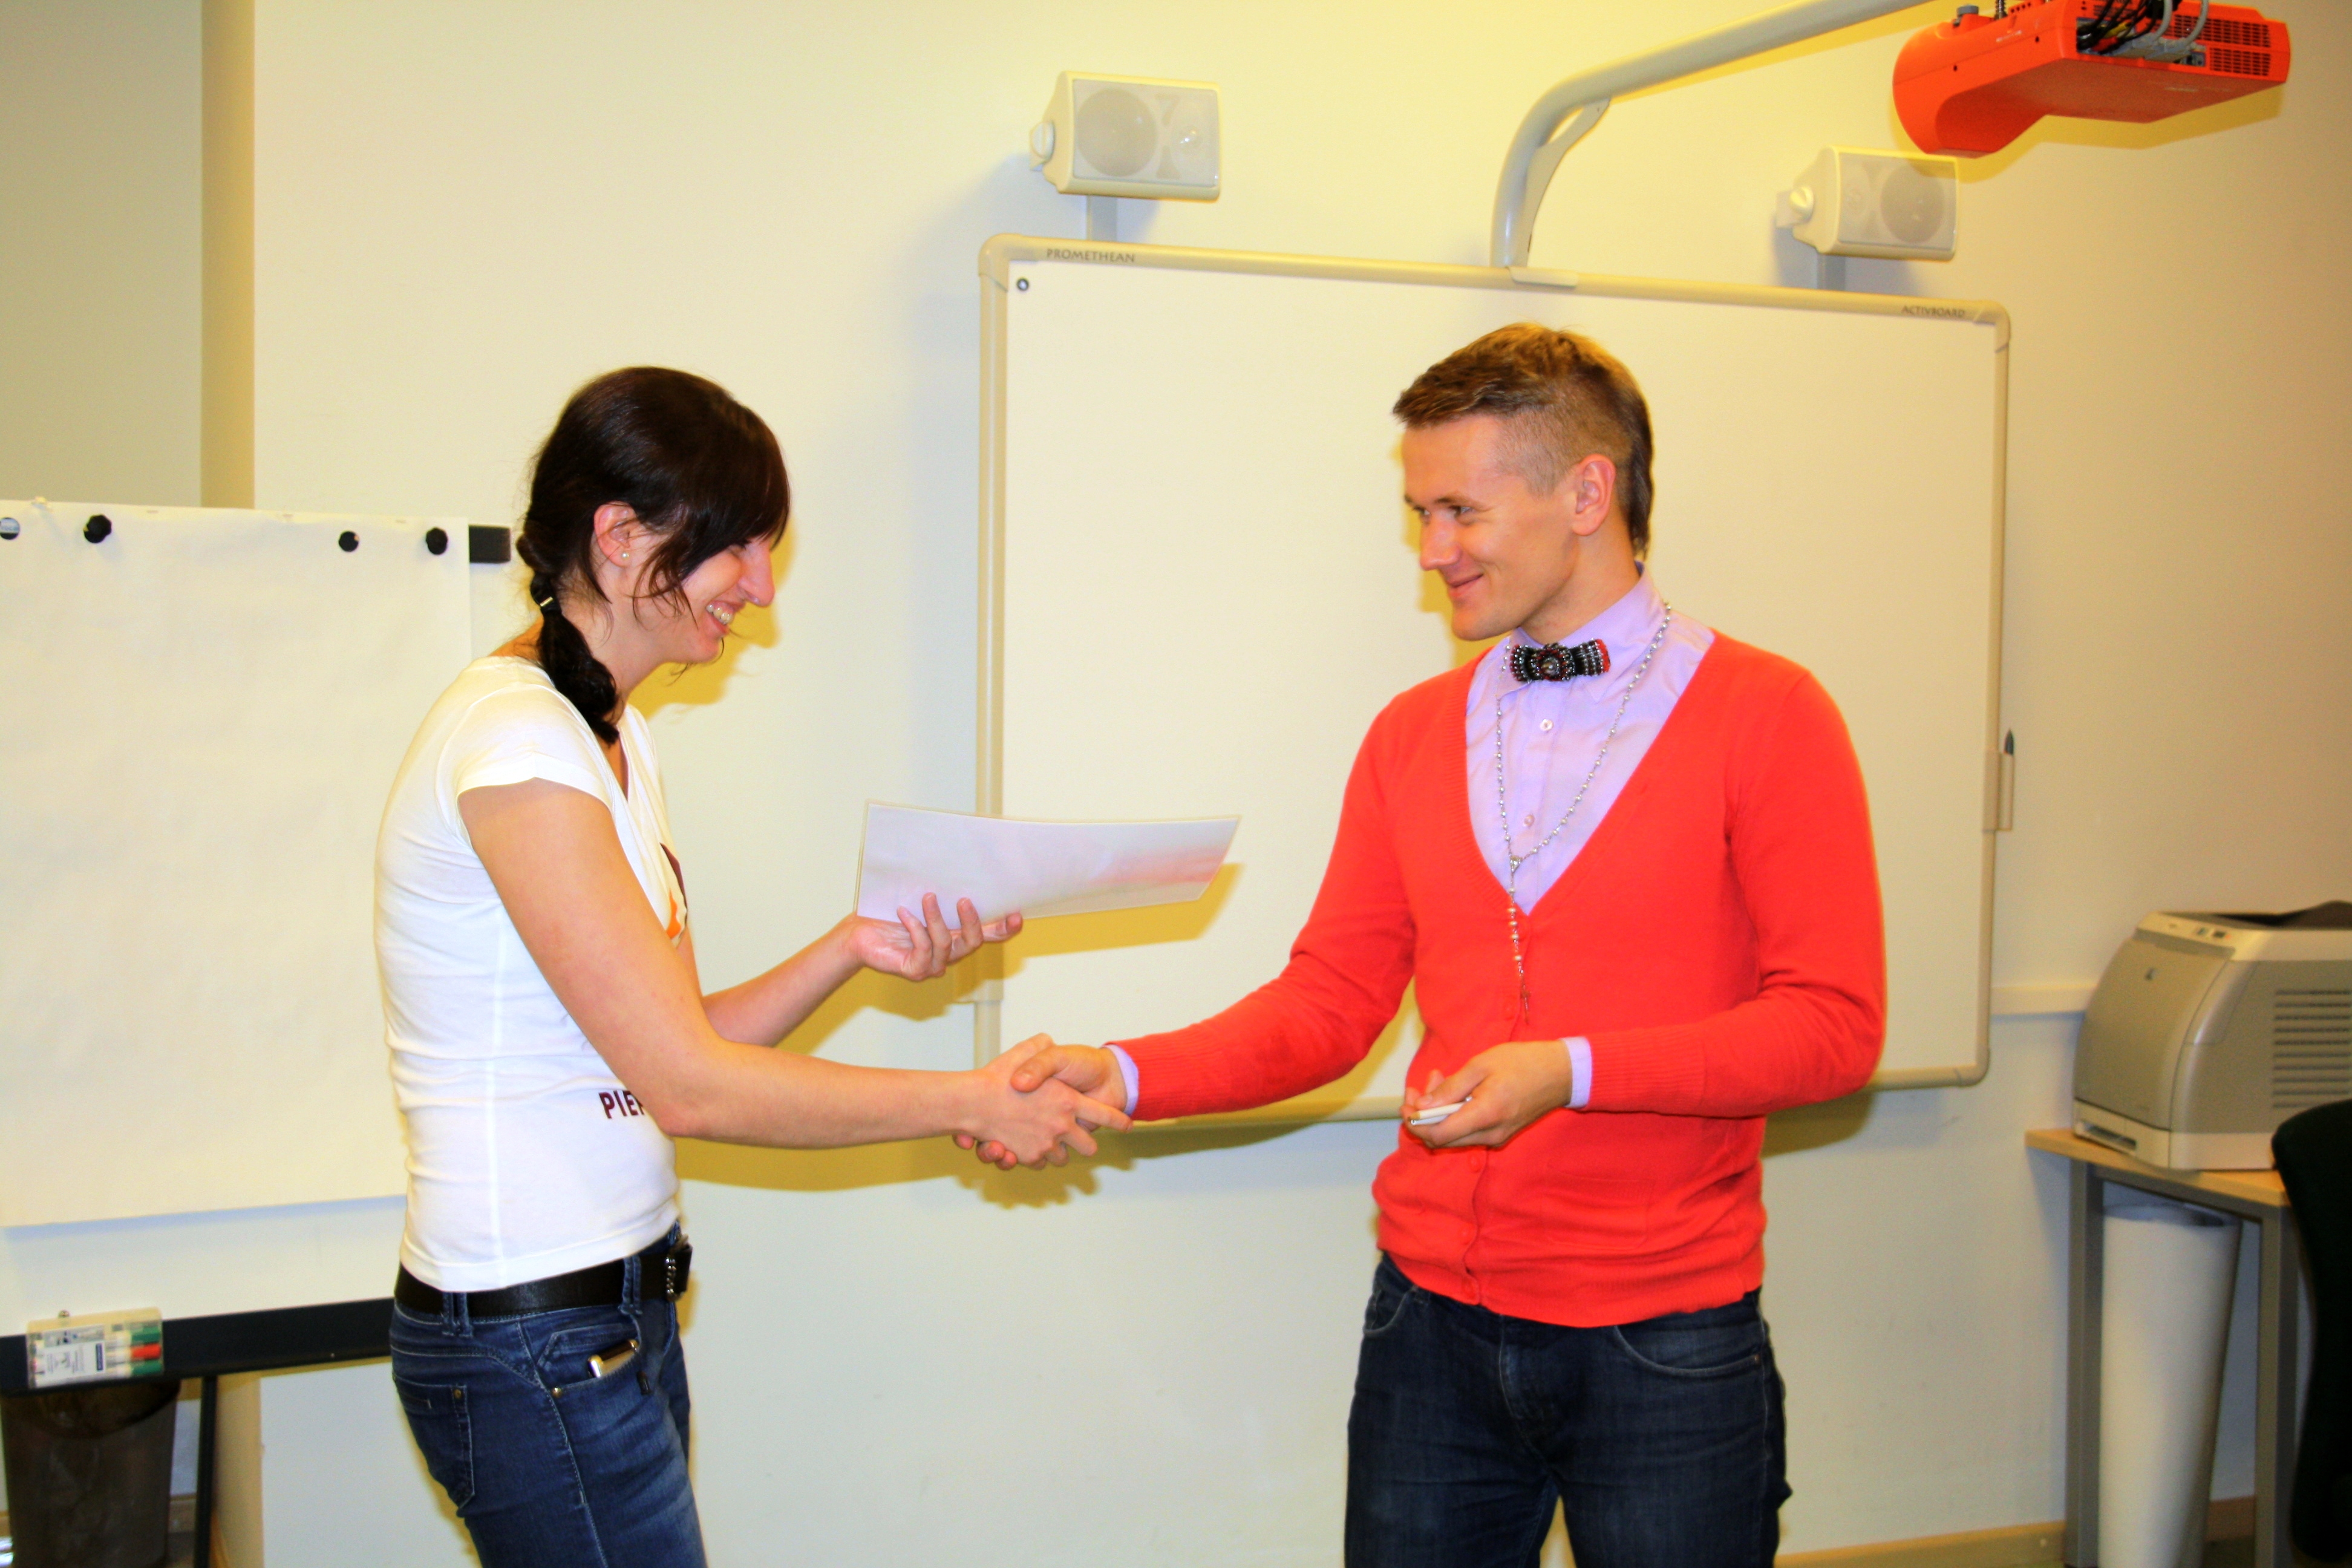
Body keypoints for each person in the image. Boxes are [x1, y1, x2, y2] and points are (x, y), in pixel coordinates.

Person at [976, 325, 1885, 1567]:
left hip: (1665, 1339)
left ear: (1587, 494)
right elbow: (1332, 1001)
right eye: (1421, 513)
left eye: (1461, 510)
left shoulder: (1768, 715)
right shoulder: (1413, 732)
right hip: (1429, 1329)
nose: (1432, 550)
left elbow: (1834, 1029)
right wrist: (1127, 1074)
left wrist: (1569, 1071)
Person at [374, 366, 1125, 1568]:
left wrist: (854, 947)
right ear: (621, 539)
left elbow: (671, 1040)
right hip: (535, 1339)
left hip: (610, 1317)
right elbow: (691, 1089)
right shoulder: (516, 744)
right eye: (739, 548)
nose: (763, 590)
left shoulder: (610, 734)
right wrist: (971, 1101)